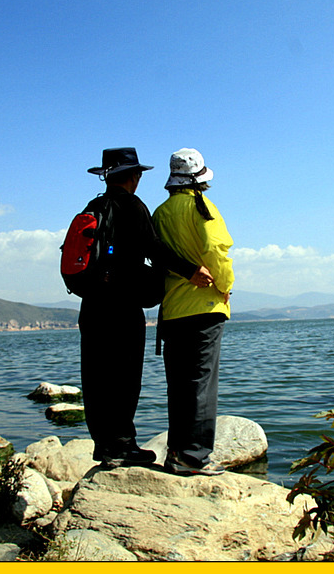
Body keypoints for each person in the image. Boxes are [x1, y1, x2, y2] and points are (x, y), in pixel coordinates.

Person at [77, 147, 213, 469]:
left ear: (107, 175)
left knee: (96, 378)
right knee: (124, 378)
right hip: (122, 307)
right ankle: (123, 446)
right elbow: (155, 249)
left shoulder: (92, 206)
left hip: (91, 307)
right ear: (134, 177)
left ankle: (105, 446)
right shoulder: (133, 207)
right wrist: (191, 270)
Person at [152, 148, 234, 476]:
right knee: (201, 383)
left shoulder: (160, 213)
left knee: (180, 384)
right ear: (200, 179)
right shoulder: (202, 207)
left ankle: (176, 451)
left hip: (171, 310)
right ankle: (194, 456)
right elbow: (217, 251)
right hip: (204, 305)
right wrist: (225, 286)